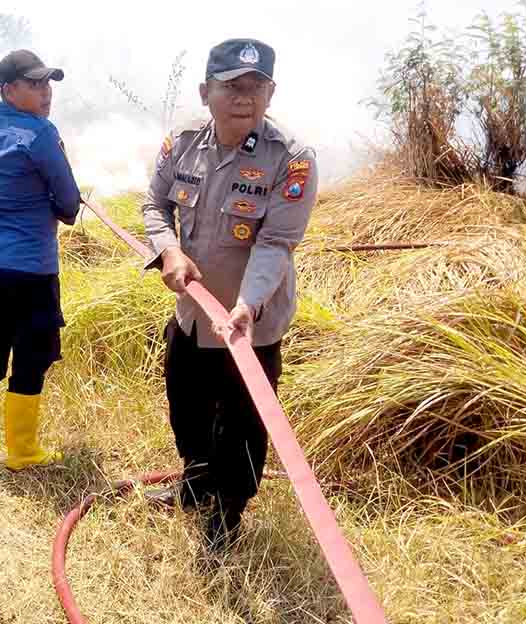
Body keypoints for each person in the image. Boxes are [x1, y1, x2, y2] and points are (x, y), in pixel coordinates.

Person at [141, 39, 318, 549]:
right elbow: (154, 205)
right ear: (205, 91)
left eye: (256, 86)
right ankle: (195, 485)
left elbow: (277, 241)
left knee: (243, 420)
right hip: (194, 313)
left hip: (249, 322)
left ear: (271, 91)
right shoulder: (182, 143)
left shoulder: (292, 158)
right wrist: (168, 251)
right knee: (186, 401)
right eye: (232, 86)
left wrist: (248, 303)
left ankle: (229, 510)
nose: (245, 96)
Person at [0, 50, 81, 469]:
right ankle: (23, 451)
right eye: (34, 84)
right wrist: (55, 204)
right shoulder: (41, 134)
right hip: (32, 266)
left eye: (47, 84)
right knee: (32, 350)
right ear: (9, 89)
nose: (46, 93)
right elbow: (68, 202)